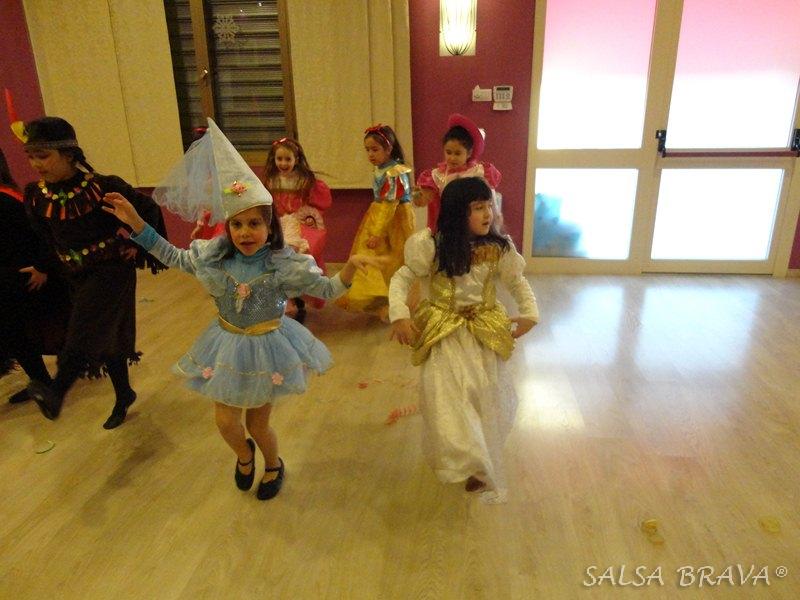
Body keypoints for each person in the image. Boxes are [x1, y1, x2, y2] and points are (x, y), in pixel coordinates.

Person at [102, 119, 376, 500]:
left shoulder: (282, 264)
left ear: (269, 227)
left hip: (268, 347)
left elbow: (326, 289)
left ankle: (273, 463)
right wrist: (136, 223)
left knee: (259, 425)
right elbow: (172, 255)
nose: (245, 232)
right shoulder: (216, 258)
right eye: (237, 225)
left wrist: (349, 269)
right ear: (228, 228)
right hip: (227, 345)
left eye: (254, 224)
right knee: (226, 421)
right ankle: (244, 455)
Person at [388, 177, 538, 504]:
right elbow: (402, 278)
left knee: (484, 394)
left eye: (489, 206)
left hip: (483, 332)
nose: (487, 214)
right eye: (478, 208)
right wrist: (398, 314)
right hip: (445, 332)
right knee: (445, 396)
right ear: (458, 213)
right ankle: (465, 456)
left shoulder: (498, 248)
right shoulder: (432, 246)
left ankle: (478, 461)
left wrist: (530, 312)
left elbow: (517, 282)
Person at [19, 117, 167, 429]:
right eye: (30, 157)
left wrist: (138, 246)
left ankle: (56, 391)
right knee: (107, 335)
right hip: (75, 274)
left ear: (69, 154)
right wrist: (43, 267)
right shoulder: (36, 195)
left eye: (43, 156)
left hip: (111, 270)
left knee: (84, 328)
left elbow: (148, 210)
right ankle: (124, 394)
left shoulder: (104, 187)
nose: (35, 164)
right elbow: (45, 238)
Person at [0, 146, 69, 402]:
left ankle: (44, 382)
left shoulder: (7, 199)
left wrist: (42, 267)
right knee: (13, 331)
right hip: (13, 274)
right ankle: (41, 380)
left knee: (13, 330)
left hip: (22, 276)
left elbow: (44, 236)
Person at [335, 124, 415, 321]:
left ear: (389, 149)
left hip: (394, 220)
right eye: (367, 150)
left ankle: (396, 300)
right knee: (371, 256)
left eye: (375, 149)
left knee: (395, 257)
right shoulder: (381, 169)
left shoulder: (394, 172)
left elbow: (390, 205)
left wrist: (378, 233)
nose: (370, 154)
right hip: (378, 215)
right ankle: (380, 299)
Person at [263, 137, 333, 320]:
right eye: (279, 159)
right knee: (273, 259)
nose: (283, 163)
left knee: (299, 259)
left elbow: (318, 204)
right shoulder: (271, 181)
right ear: (273, 159)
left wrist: (306, 217)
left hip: (298, 227)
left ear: (297, 159)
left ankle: (298, 298)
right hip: (278, 225)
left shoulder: (304, 181)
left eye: (288, 159)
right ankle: (283, 299)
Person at [415, 113, 501, 232]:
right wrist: (418, 196)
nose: (452, 158)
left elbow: (490, 198)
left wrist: (495, 219)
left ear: (469, 153)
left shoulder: (480, 172)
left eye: (457, 153)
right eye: (448, 152)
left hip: (474, 226)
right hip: (450, 227)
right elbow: (425, 200)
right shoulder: (436, 176)